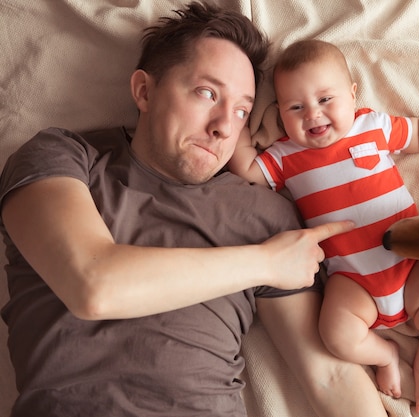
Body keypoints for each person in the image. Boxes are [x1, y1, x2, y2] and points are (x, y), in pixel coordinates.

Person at [0, 4, 388, 417]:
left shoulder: (265, 215)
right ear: (144, 91)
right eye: (207, 93)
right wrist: (265, 263)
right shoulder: (61, 159)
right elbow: (93, 285)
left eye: (242, 110)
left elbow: (330, 378)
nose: (224, 126)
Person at [228, 39, 419, 415]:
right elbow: (246, 171)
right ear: (279, 114)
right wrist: (239, 123)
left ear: (352, 94)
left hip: (410, 261)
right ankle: (385, 354)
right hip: (353, 281)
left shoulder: (370, 125)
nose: (313, 115)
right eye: (296, 107)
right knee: (335, 334)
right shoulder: (286, 156)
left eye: (326, 99)